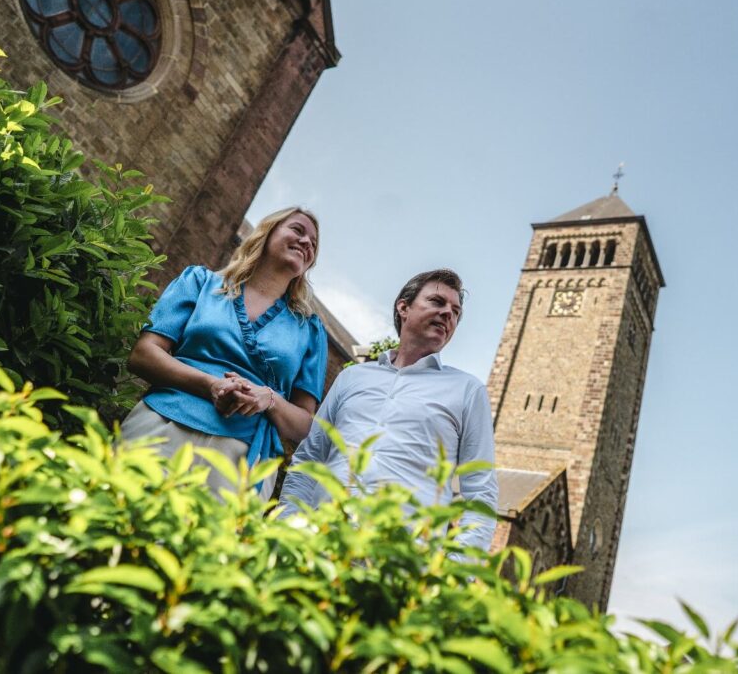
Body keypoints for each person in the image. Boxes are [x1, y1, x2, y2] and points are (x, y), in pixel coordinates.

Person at [279, 269, 498, 551]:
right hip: (318, 542)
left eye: (455, 311)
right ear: (403, 307)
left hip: (402, 559)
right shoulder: (352, 378)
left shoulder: (468, 391)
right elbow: (310, 458)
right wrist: (287, 527)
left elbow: (480, 491)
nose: (448, 314)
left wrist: (459, 567)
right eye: (437, 302)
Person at [121, 207, 328, 500]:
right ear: (267, 233)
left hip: (241, 460)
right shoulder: (200, 283)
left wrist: (268, 398)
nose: (307, 242)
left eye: (314, 244)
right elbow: (143, 355)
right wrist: (211, 385)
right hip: (163, 424)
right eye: (298, 230)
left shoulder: (309, 330)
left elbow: (305, 424)